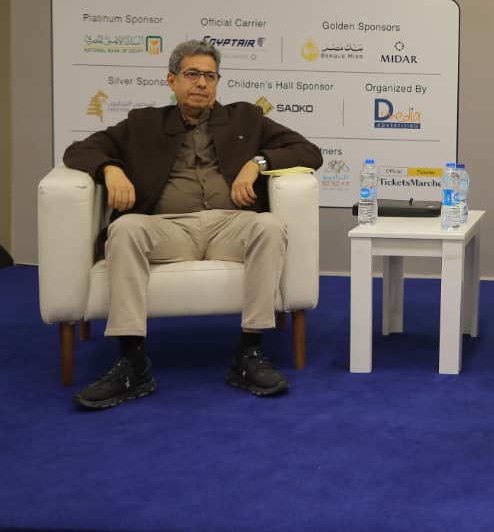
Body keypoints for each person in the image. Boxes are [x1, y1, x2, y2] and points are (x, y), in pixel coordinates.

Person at [63, 40, 323, 410]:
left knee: (269, 226)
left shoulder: (246, 118)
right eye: (192, 74)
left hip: (230, 225)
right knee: (125, 230)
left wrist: (257, 163)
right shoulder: (142, 123)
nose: (201, 83)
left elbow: (308, 151)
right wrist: (110, 169)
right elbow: (78, 150)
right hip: (168, 228)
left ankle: (249, 352)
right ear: (172, 80)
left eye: (210, 76)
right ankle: (132, 361)